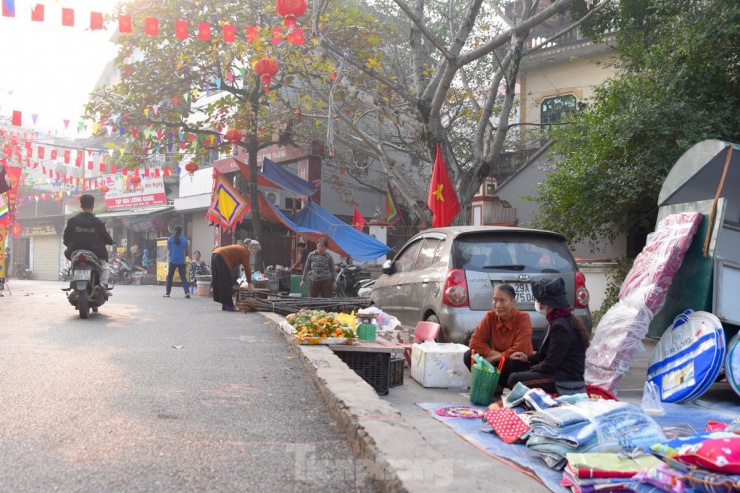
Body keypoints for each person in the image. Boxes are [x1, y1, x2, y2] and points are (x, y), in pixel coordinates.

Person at [508, 277, 589, 394]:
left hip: (565, 378)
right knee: (515, 363)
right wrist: (528, 358)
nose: (536, 303)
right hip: (555, 371)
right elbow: (544, 355)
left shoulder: (561, 326)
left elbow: (550, 363)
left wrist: (531, 370)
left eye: (537, 300)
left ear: (546, 304)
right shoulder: (556, 320)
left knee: (514, 379)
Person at [464, 284, 534, 389]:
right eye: (495, 300)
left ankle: (500, 385)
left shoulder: (523, 318)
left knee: (515, 360)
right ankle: (490, 386)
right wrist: (494, 354)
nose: (498, 305)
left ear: (513, 303)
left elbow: (520, 349)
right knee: (469, 355)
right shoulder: (490, 316)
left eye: (503, 301)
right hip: (498, 361)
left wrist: (494, 358)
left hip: (514, 364)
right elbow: (474, 342)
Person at [63, 194, 115, 286]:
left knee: (72, 262)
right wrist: (110, 241)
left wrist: (68, 244)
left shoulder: (72, 221)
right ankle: (105, 284)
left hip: (74, 251)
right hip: (96, 253)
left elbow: (66, 237)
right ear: (93, 206)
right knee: (104, 265)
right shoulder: (98, 222)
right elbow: (106, 237)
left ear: (81, 206)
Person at [211, 240, 254, 311]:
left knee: (221, 281)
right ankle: (230, 305)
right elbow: (247, 268)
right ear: (251, 247)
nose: (254, 252)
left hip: (215, 254)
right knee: (226, 282)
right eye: (255, 250)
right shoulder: (245, 251)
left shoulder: (240, 248)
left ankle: (225, 304)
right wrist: (249, 284)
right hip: (221, 257)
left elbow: (243, 266)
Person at [164, 225, 190, 298]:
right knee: (183, 277)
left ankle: (167, 293)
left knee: (170, 277)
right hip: (182, 261)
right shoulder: (184, 240)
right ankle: (187, 292)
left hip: (172, 261)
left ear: (174, 231)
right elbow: (187, 251)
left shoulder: (170, 239)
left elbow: (168, 249)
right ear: (181, 231)